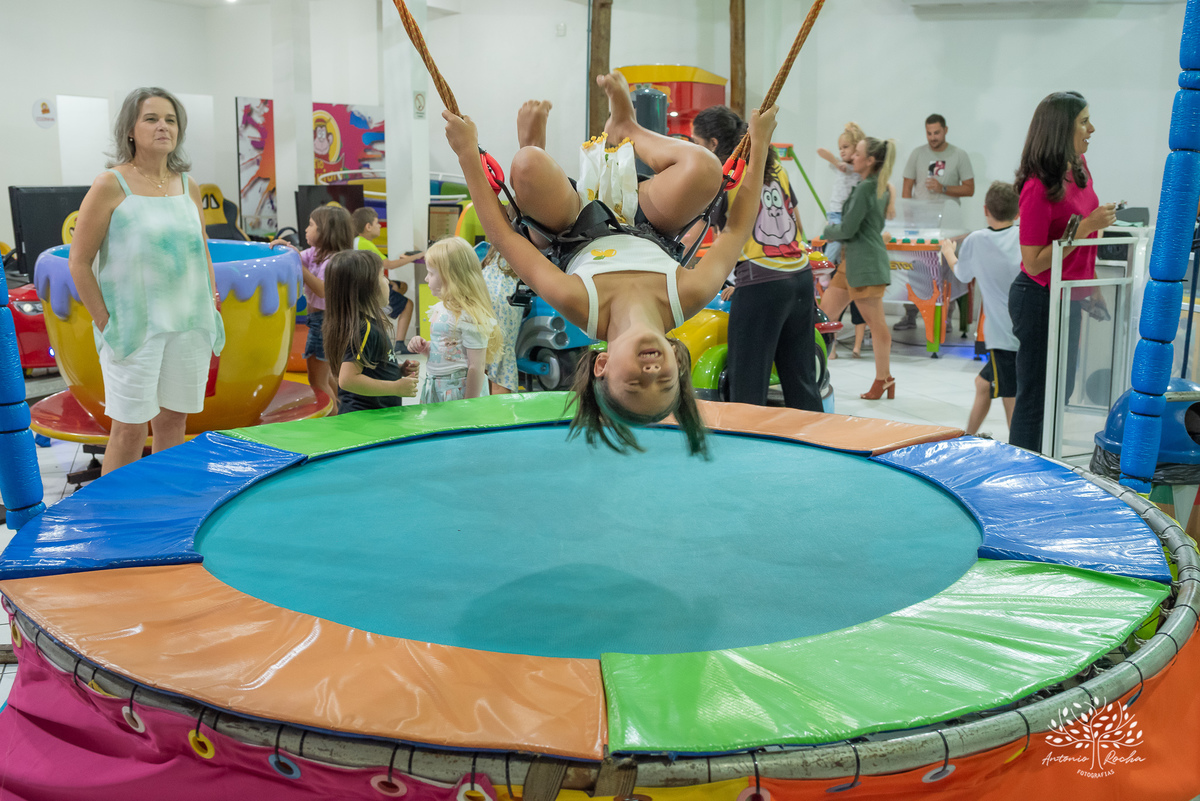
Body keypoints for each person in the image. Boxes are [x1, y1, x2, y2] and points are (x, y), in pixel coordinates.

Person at [440, 71, 777, 457]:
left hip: (572, 229)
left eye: (634, 385)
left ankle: (532, 146)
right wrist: (761, 143)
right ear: (677, 366)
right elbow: (735, 231)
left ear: (602, 365)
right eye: (666, 384)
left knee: (528, 164)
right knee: (706, 169)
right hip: (650, 226)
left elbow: (503, 236)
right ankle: (627, 126)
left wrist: (467, 153)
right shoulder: (689, 294)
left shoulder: (580, 303)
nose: (651, 376)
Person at [67, 87, 224, 475]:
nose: (163, 127)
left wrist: (211, 296)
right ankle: (117, 520)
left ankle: (164, 508)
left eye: (170, 120)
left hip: (189, 324)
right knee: (129, 430)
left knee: (174, 423)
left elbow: (200, 248)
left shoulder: (188, 185)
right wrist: (105, 320)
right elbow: (79, 262)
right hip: (134, 329)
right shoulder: (109, 185)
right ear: (131, 130)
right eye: (151, 119)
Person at [692, 105, 820, 412]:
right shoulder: (777, 168)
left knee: (748, 382)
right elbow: (796, 224)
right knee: (802, 379)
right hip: (800, 278)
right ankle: (819, 443)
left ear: (712, 144)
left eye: (695, 144)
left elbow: (695, 235)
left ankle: (746, 451)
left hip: (762, 282)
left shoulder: (727, 175)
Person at [1008, 91, 1117, 453]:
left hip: (1068, 294)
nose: (1092, 129)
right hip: (1038, 297)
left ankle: (1047, 468)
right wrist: (1085, 227)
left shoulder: (1080, 165)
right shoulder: (1037, 186)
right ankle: (1022, 473)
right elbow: (1034, 260)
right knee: (1036, 400)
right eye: (1084, 122)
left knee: (1062, 391)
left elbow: (1076, 244)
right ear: (1061, 129)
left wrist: (1090, 285)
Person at [818, 137, 898, 400]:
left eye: (858, 153)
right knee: (822, 317)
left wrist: (828, 231)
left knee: (876, 325)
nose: (852, 157)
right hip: (852, 262)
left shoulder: (867, 188)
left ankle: (883, 379)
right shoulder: (877, 186)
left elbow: (849, 228)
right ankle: (811, 373)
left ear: (870, 160)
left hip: (865, 264)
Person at [940, 181, 1022, 436]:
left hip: (1001, 336)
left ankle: (1020, 449)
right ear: (1018, 211)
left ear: (985, 209)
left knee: (1010, 395)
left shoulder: (977, 239)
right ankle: (968, 436)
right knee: (982, 384)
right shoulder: (1022, 236)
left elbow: (963, 274)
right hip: (1021, 328)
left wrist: (948, 252)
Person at [271, 205, 354, 413]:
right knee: (326, 377)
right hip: (320, 321)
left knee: (317, 381)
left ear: (325, 232)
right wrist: (286, 250)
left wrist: (302, 269)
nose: (306, 230)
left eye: (311, 225)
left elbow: (323, 290)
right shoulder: (316, 253)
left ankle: (334, 423)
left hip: (325, 322)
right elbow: (298, 257)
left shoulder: (333, 260)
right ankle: (343, 413)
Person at [896, 114, 976, 331]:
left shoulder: (959, 155)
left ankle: (946, 317)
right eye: (929, 133)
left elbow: (969, 188)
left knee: (946, 270)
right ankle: (910, 314)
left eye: (937, 133)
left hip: (949, 225)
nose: (933, 137)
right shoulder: (917, 154)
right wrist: (908, 217)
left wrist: (943, 189)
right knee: (913, 267)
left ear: (946, 130)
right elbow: (906, 188)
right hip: (920, 225)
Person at [322, 249, 419, 413]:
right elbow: (348, 379)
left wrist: (397, 370)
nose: (387, 281)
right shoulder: (364, 329)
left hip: (371, 415)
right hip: (366, 417)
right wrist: (395, 387)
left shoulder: (363, 324)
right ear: (366, 287)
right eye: (382, 276)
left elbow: (368, 366)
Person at [407, 237, 502, 403]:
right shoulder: (440, 308)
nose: (426, 279)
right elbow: (449, 348)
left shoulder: (469, 315)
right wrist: (426, 347)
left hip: (459, 392)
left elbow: (476, 366)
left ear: (450, 277)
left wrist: (469, 404)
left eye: (430, 273)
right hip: (436, 385)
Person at [350, 207, 423, 351]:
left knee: (401, 286)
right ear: (368, 226)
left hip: (362, 285)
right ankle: (400, 345)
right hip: (370, 288)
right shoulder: (364, 243)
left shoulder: (358, 241)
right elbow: (388, 264)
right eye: (377, 223)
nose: (380, 226)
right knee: (408, 304)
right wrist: (416, 256)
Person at [816, 121, 865, 268]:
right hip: (836, 212)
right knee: (836, 242)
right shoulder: (839, 166)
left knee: (849, 244)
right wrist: (837, 164)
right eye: (840, 148)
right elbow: (821, 151)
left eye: (846, 147)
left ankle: (837, 269)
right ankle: (825, 266)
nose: (842, 151)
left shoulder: (859, 168)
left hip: (851, 214)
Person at [481, 247, 523, 393]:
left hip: (494, 286)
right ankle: (498, 413)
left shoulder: (494, 246)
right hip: (503, 287)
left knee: (491, 355)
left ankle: (490, 411)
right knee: (499, 354)